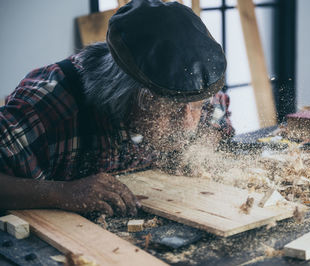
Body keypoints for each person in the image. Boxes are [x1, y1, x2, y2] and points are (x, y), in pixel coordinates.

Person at [0, 0, 233, 217]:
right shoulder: (49, 103)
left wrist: (197, 150)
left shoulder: (189, 86)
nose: (187, 124)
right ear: (134, 94)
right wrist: (62, 193)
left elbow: (216, 119)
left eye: (196, 107)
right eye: (172, 111)